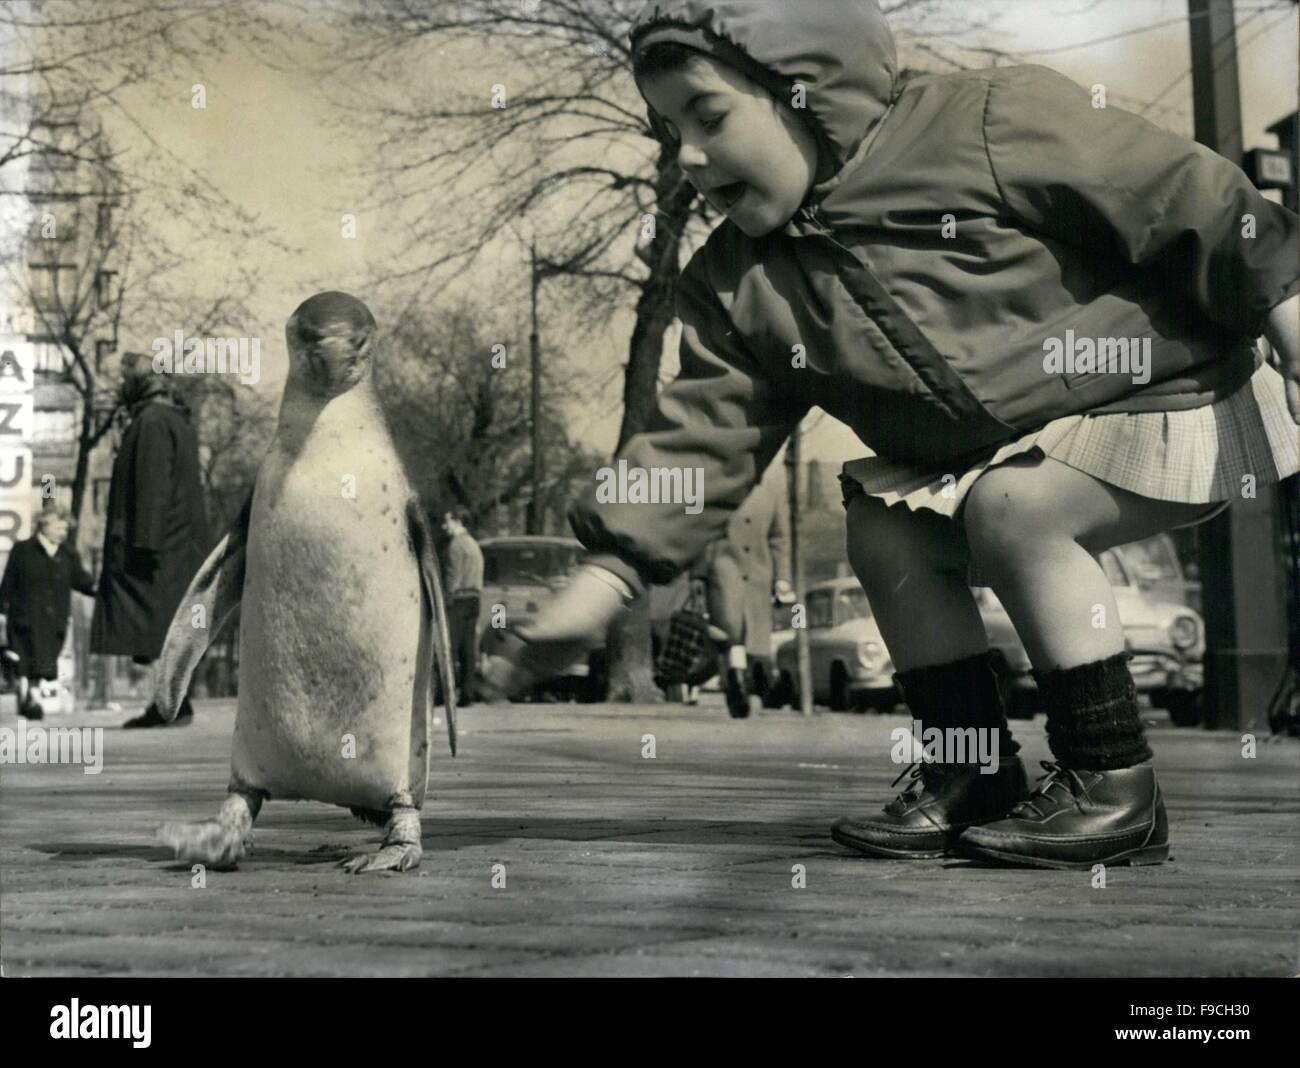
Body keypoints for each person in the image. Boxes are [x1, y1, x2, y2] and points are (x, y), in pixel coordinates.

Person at [483, 0, 1299, 870]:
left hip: (1177, 393)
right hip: (1009, 449)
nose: (687, 156)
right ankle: (970, 767)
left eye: (710, 116)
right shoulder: (737, 285)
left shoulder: (985, 122)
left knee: (1014, 508)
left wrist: (1285, 303)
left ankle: (1114, 783)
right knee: (883, 524)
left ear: (805, 90)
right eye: (668, 127)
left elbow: (1176, 192)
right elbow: (699, 436)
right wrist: (608, 574)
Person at [91, 362, 209, 728]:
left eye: (126, 380)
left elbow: (151, 484)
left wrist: (143, 543)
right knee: (166, 626)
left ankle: (167, 705)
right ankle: (175, 701)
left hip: (157, 547)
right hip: (177, 544)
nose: (122, 385)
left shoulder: (152, 422)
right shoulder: (176, 421)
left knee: (154, 626)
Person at [702, 461, 793, 717]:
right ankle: (736, 683)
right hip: (722, 566)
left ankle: (746, 682)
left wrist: (782, 578)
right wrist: (699, 573)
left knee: (753, 639)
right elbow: (696, 526)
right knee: (732, 631)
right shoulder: (715, 470)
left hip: (758, 573)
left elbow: (779, 536)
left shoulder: (774, 480)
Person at [0, 506, 96, 719]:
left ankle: (27, 692)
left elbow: (80, 579)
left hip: (55, 620)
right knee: (30, 658)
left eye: (65, 528)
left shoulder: (68, 554)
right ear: (44, 526)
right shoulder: (22, 550)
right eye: (59, 527)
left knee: (43, 660)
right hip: (26, 616)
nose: (63, 532)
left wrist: (99, 590)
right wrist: (1, 611)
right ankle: (32, 698)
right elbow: (8, 583)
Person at [441, 506, 484, 706]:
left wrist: (445, 601)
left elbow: (453, 577)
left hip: (458, 600)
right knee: (468, 650)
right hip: (474, 599)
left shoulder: (456, 546)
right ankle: (468, 693)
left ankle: (444, 694)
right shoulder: (473, 544)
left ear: (458, 522)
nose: (444, 526)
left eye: (447, 521)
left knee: (449, 647)